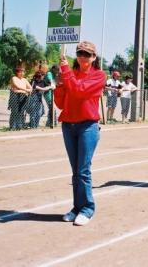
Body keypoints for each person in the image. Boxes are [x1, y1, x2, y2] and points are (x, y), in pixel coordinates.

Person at [54, 41, 106, 226]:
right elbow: (60, 103)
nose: (83, 57)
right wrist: (60, 85)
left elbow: (78, 91)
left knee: (83, 170)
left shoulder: (99, 75)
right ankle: (76, 207)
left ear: (93, 57)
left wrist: (66, 73)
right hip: (68, 125)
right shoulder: (69, 74)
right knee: (76, 171)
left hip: (87, 126)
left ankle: (87, 209)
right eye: (80, 53)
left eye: (87, 54)